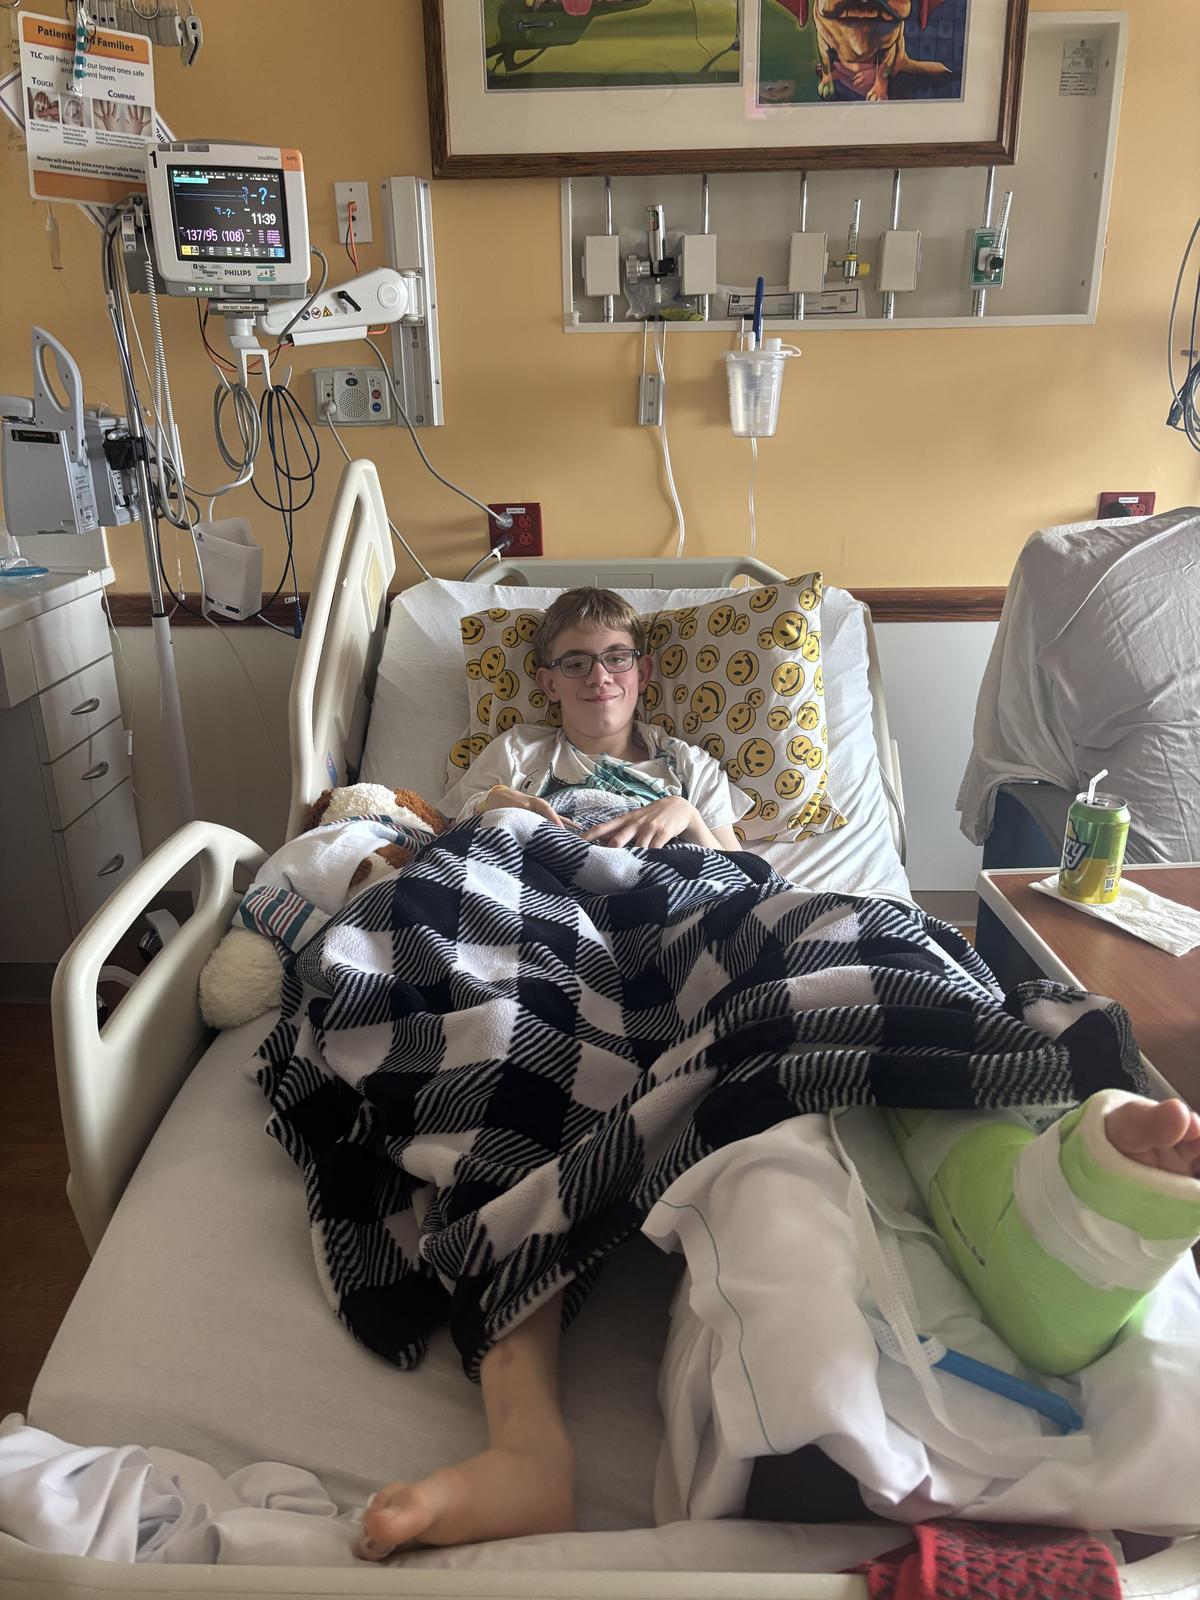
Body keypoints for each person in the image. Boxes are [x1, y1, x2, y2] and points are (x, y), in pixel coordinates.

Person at [357, 588, 1200, 1560]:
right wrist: (521, 815)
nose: (600, 677)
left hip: (695, 906)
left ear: (643, 671)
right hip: (547, 911)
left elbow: (750, 872)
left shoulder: (688, 767)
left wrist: (690, 819)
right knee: (515, 1052)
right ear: (545, 681)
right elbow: (453, 839)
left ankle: (1035, 1179)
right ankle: (527, 1450)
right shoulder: (514, 756)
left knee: (862, 942)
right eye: (576, 661)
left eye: (617, 656)